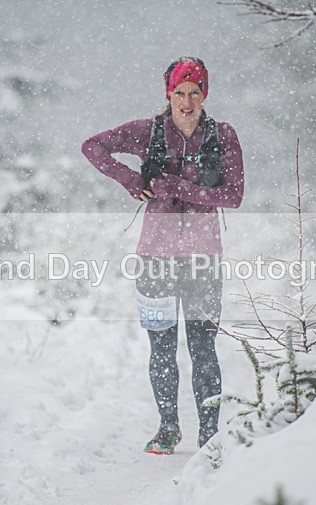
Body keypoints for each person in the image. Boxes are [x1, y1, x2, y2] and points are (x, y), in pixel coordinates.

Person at [81, 57, 244, 454]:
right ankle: (168, 429)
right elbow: (92, 146)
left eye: (194, 93)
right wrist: (131, 180)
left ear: (205, 94)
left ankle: (210, 436)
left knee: (203, 349)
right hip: (155, 259)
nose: (186, 102)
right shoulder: (148, 132)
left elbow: (233, 195)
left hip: (204, 262)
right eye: (179, 93)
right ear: (167, 94)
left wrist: (176, 187)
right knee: (162, 348)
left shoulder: (222, 136)